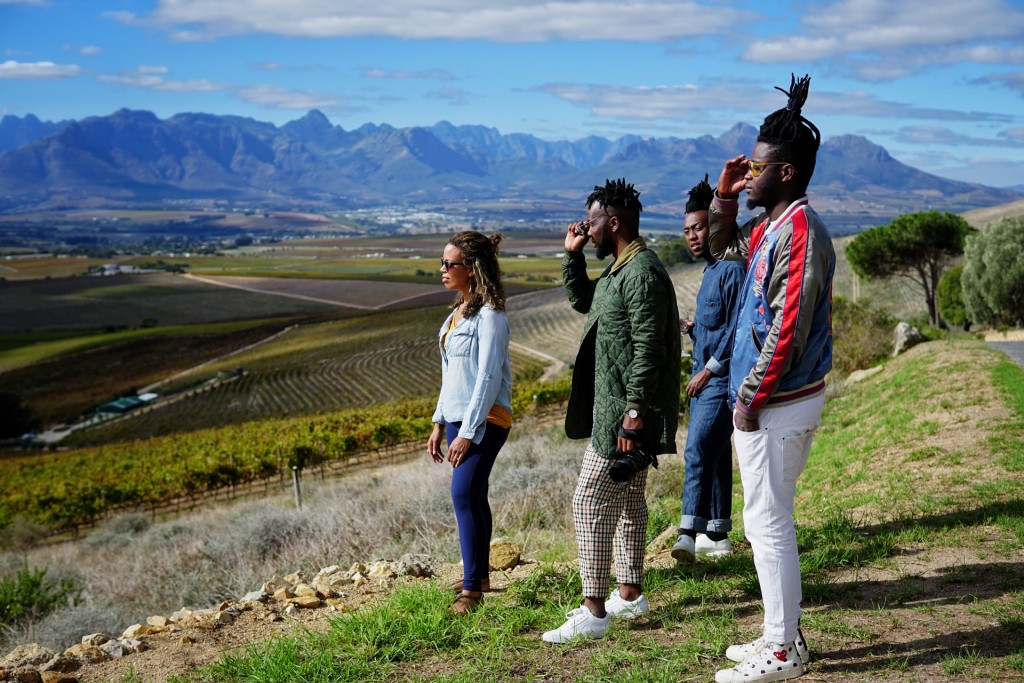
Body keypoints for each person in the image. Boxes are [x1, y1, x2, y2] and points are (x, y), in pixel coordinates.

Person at [707, 74, 834, 682]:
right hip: (767, 402)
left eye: (756, 168)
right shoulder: (771, 228)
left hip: (776, 403)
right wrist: (727, 195)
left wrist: (749, 399)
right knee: (764, 520)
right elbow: (717, 249)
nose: (749, 172)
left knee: (768, 522)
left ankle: (783, 652)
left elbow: (788, 329)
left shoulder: (802, 232)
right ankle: (777, 636)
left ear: (786, 173)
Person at [541, 178, 680, 644]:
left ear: (614, 222)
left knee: (589, 502)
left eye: (592, 222)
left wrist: (635, 413)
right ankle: (630, 593)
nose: (587, 228)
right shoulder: (622, 269)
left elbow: (649, 349)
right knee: (626, 503)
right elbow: (587, 303)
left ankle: (593, 610)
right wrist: (572, 254)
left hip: (624, 411)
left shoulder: (640, 273)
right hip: (616, 408)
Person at [427, 231, 513, 615]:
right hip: (459, 417)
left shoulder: (491, 316)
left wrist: (467, 431)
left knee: (463, 495)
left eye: (450, 264)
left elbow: (488, 379)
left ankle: (471, 592)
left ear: (472, 268)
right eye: (443, 263)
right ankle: (479, 578)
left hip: (486, 418)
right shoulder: (455, 314)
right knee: (474, 495)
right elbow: (452, 376)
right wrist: (438, 422)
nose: (443, 269)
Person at [671, 175, 746, 564]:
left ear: (714, 226)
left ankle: (687, 532)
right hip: (707, 374)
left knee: (698, 449)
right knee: (715, 455)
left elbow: (738, 331)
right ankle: (717, 534)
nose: (692, 236)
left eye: (698, 227)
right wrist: (693, 329)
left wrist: (708, 370)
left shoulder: (731, 270)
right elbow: (717, 326)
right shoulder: (711, 271)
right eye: (686, 231)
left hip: (718, 380)